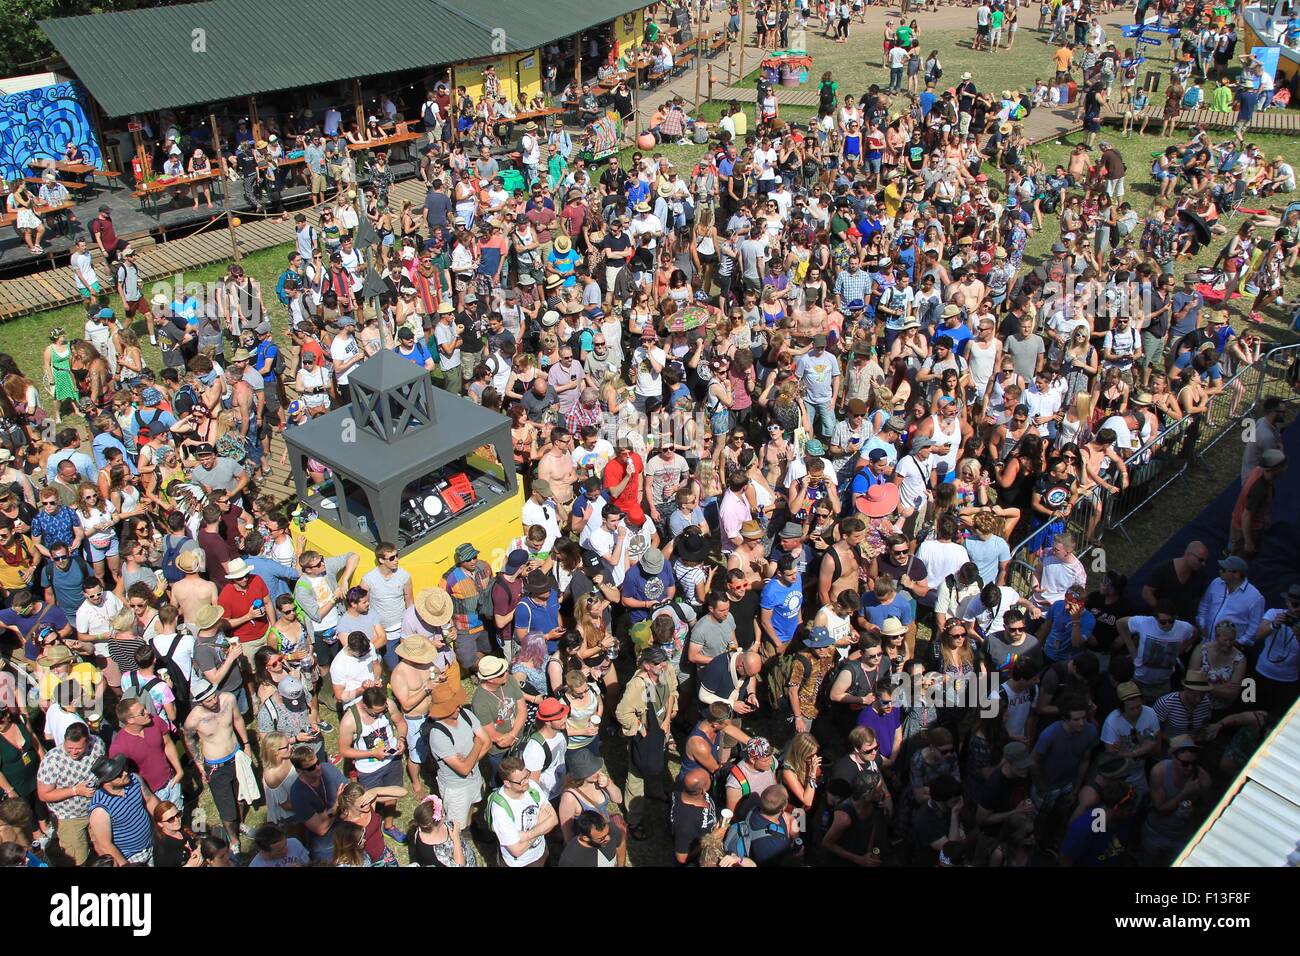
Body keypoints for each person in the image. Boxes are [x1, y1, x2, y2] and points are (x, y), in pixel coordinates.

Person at [181, 678, 253, 851]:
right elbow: (189, 740)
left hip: (236, 757)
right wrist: (200, 766)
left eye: (214, 696)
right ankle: (233, 839)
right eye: (208, 700)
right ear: (199, 702)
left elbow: (237, 720)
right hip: (215, 766)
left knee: (241, 797)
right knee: (226, 807)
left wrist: (247, 745)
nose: (213, 701)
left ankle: (240, 824)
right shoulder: (193, 719)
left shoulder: (228, 699)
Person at [35, 722, 104, 865]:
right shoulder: (52, 761)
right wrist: (75, 790)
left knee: (103, 845)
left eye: (78, 749)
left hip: (96, 808)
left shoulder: (98, 745)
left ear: (88, 741)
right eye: (69, 748)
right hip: (69, 817)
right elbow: (43, 795)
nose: (73, 752)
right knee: (78, 858)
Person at [86, 753, 158, 865]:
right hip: (131, 858)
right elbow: (105, 844)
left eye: (122, 769)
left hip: (152, 843)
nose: (125, 773)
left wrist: (165, 823)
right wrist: (125, 864)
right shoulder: (100, 809)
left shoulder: (135, 780)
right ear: (107, 782)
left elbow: (150, 800)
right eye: (119, 774)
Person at [487, 755, 557, 867]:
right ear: (507, 783)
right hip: (519, 863)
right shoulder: (500, 810)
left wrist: (525, 835)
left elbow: (553, 819)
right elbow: (517, 851)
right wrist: (538, 824)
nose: (526, 782)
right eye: (521, 781)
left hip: (541, 853)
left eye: (526, 776)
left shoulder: (532, 787)